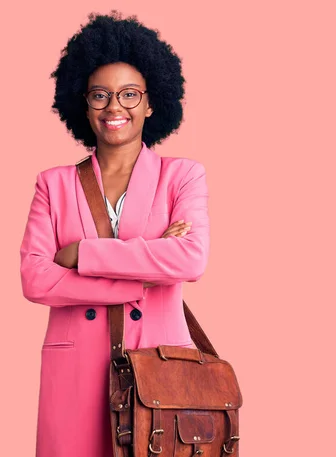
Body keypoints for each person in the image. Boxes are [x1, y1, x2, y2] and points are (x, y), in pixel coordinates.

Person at [19, 10, 210, 457]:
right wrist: (144, 271)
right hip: (74, 371)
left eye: (129, 94)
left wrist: (83, 253)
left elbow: (190, 259)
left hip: (160, 368)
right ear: (82, 103)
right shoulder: (54, 184)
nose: (114, 107)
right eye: (100, 95)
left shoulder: (182, 176)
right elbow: (34, 279)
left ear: (150, 102)